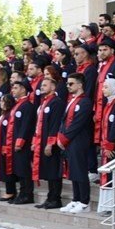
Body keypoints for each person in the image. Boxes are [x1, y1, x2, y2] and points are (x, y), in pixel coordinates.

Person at [59, 73, 94, 213]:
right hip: (69, 140)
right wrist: (61, 135)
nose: (68, 86)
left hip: (79, 140)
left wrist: (65, 138)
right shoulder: (71, 101)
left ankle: (84, 201)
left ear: (80, 84)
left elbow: (78, 123)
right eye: (67, 84)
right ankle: (76, 199)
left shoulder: (85, 101)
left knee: (80, 170)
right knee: (73, 170)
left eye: (71, 84)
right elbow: (64, 120)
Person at [32, 70, 65, 210]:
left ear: (53, 87)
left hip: (50, 143)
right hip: (41, 141)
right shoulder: (43, 103)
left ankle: (56, 198)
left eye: (45, 85)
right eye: (41, 85)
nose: (41, 87)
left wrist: (50, 143)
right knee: (48, 171)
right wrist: (35, 141)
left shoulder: (56, 102)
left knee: (53, 171)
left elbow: (55, 124)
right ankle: (50, 197)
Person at [8, 79, 37, 205]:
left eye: (15, 88)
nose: (13, 90)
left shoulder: (27, 106)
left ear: (23, 89)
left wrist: (20, 142)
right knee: (18, 170)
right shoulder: (17, 105)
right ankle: (22, 193)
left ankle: (27, 194)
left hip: (22, 144)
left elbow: (26, 126)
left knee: (24, 169)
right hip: (14, 142)